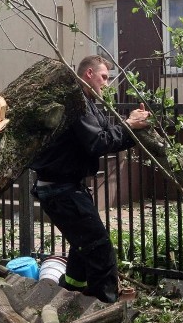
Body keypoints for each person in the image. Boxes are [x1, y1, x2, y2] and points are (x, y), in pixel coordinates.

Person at [30, 55, 150, 306]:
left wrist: (132, 125)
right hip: (61, 190)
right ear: (88, 75)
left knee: (83, 246)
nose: (107, 83)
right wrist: (129, 125)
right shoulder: (76, 104)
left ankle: (69, 295)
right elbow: (98, 142)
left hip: (67, 188)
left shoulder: (89, 104)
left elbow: (108, 134)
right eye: (104, 77)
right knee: (99, 250)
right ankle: (105, 315)